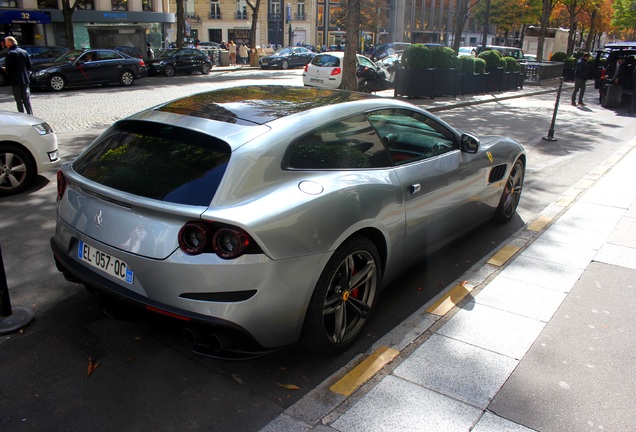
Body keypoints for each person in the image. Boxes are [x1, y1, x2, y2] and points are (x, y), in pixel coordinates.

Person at [3, 36, 33, 115]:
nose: (5, 44)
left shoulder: (9, 53)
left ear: (10, 42)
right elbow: (29, 66)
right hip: (25, 78)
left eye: (6, 42)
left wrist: (5, 69)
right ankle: (30, 113)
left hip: (15, 79)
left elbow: (9, 67)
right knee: (26, 98)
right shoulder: (24, 52)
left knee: (18, 99)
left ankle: (21, 114)